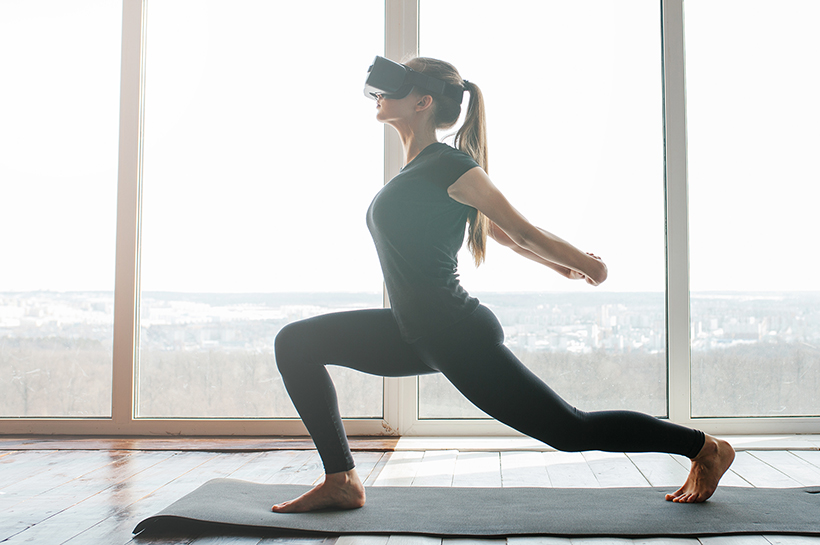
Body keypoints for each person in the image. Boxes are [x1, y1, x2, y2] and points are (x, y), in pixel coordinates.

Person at [271, 57, 734, 513]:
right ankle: (342, 480)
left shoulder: (449, 164)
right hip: (414, 331)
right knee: (296, 343)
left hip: (454, 333)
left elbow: (522, 229)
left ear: (423, 102)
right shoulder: (420, 169)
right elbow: (500, 235)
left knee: (569, 431)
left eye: (395, 87)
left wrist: (588, 266)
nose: (380, 95)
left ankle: (705, 448)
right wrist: (556, 267)